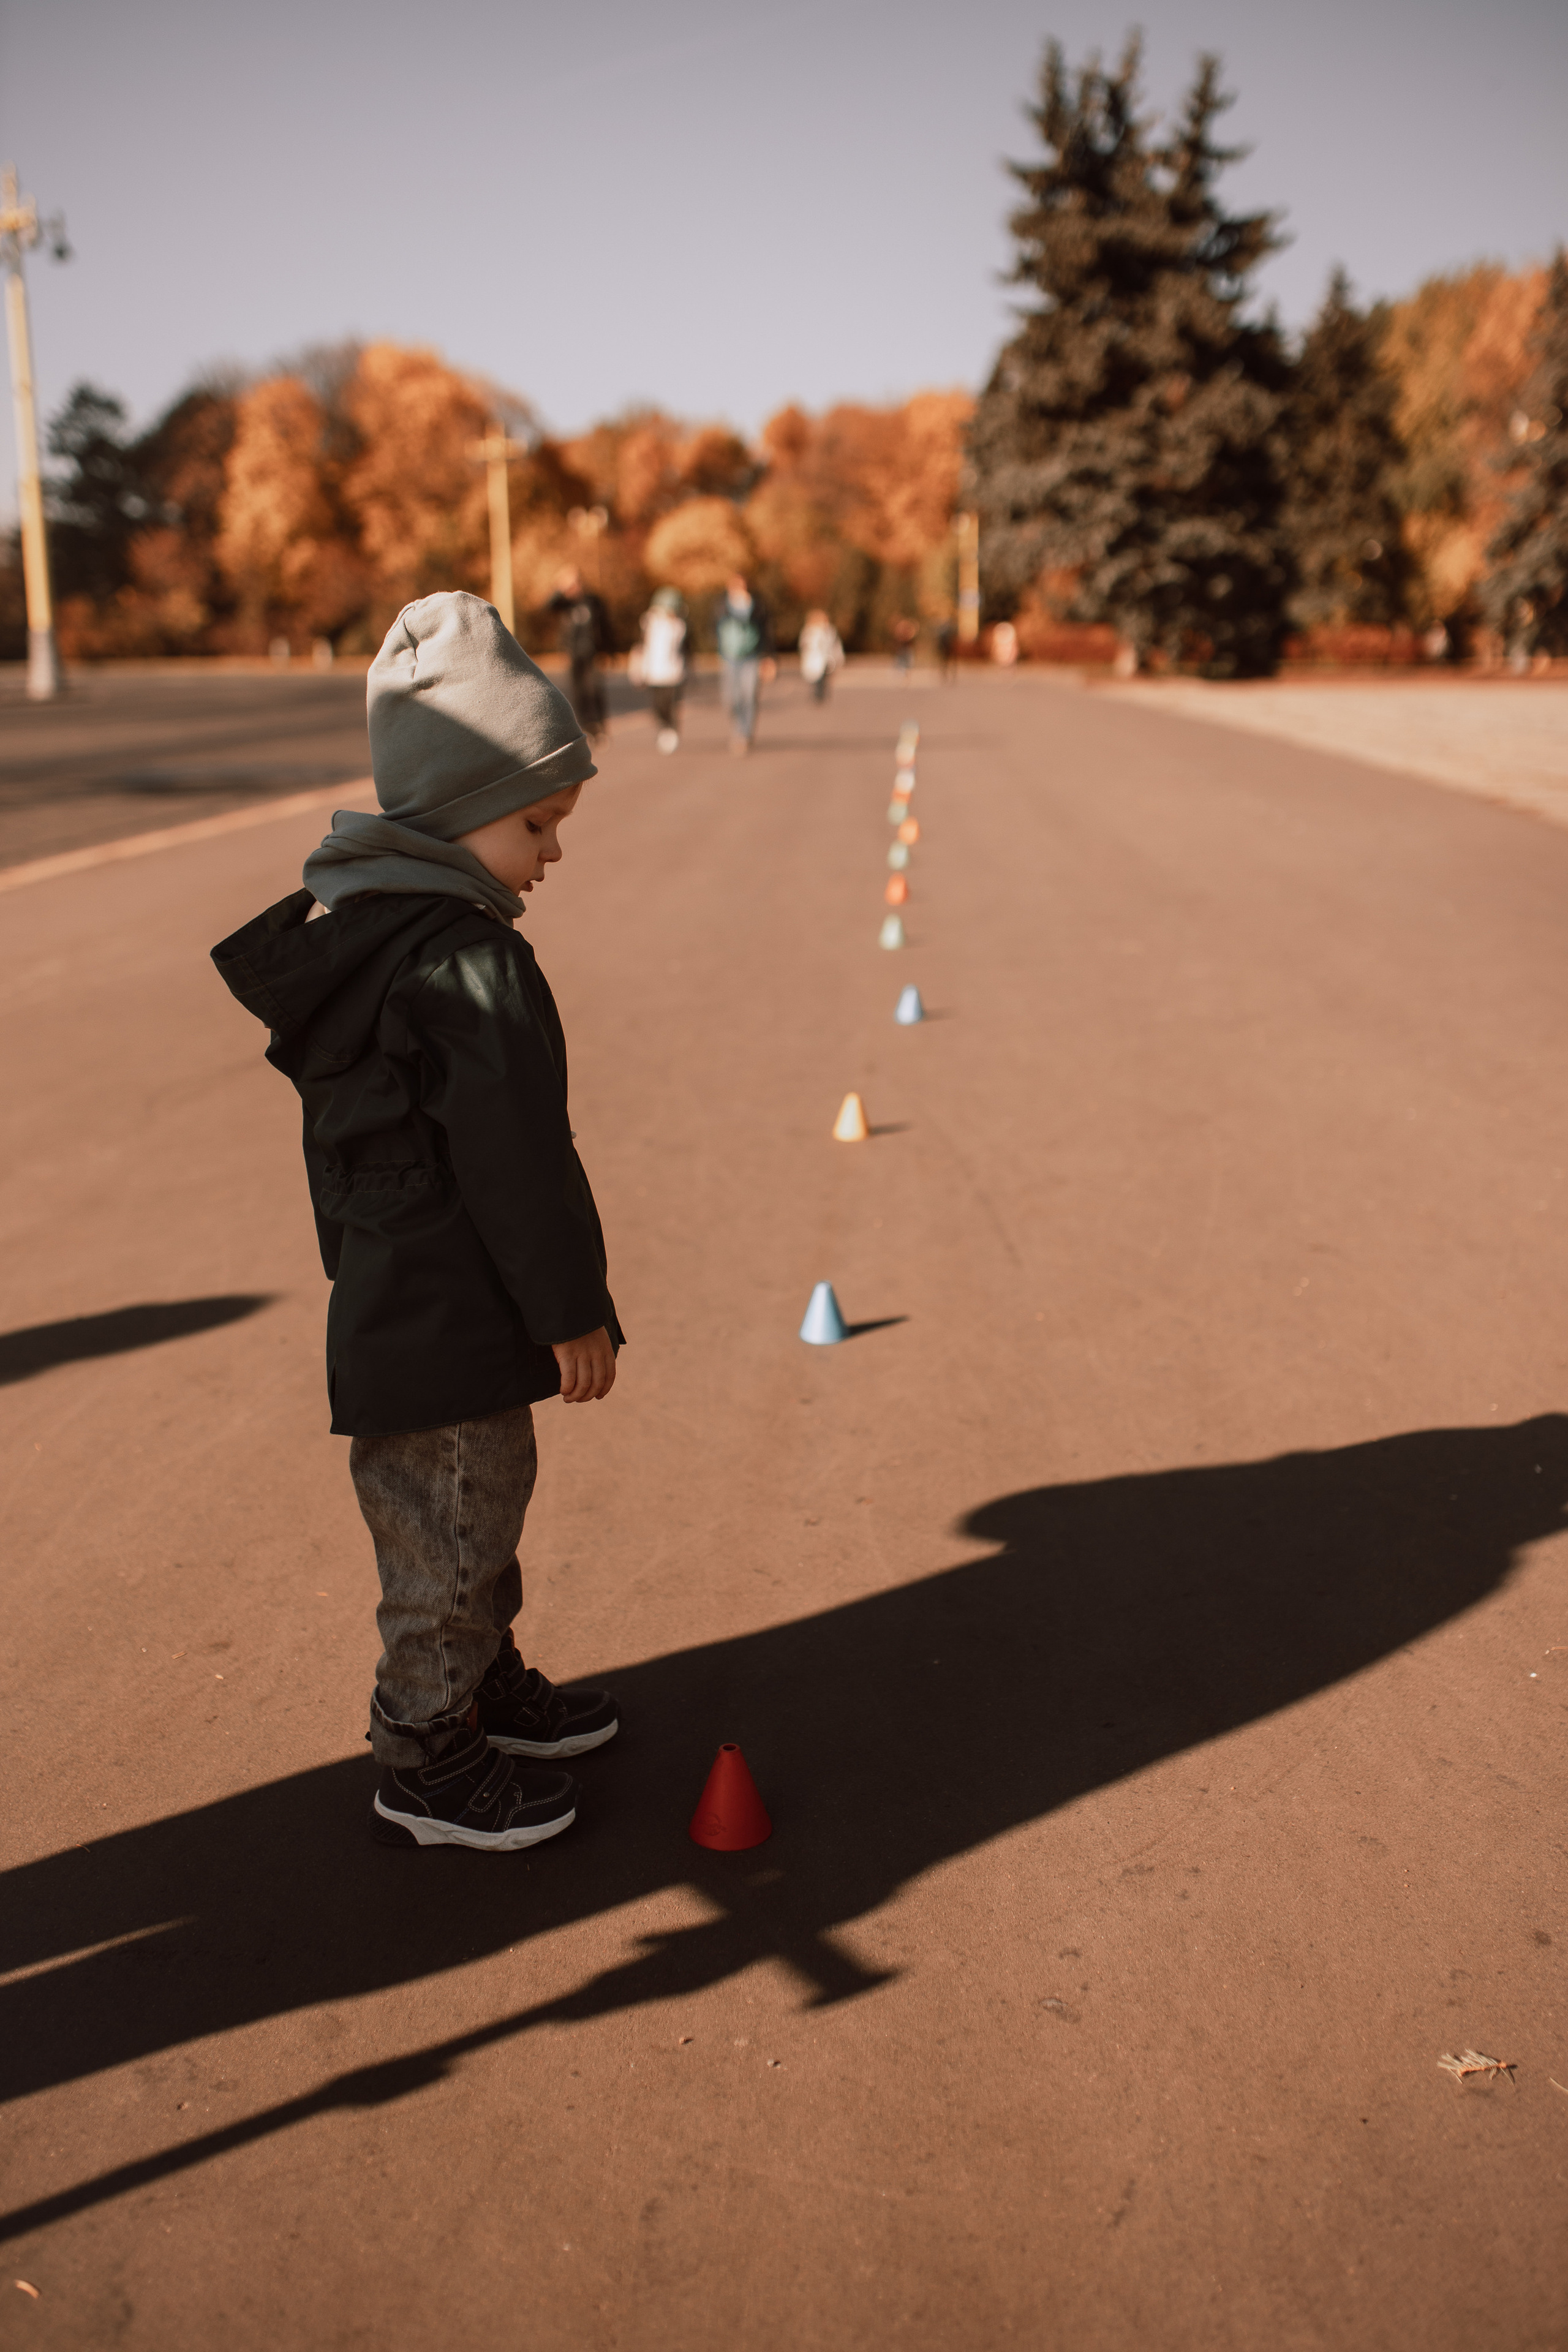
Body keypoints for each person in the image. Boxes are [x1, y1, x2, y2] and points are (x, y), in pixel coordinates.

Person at [211, 590, 623, 1854]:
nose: (550, 854)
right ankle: (424, 1747)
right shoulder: (466, 963)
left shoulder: (368, 944)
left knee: (461, 1519)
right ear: (456, 816)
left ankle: (476, 1683)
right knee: (449, 1532)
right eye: (535, 824)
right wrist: (572, 1313)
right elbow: (518, 1161)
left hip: (401, 1301)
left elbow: (348, 1154)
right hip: (453, 1311)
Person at [547, 566, 610, 741]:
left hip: (593, 652)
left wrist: (609, 650)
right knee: (578, 692)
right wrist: (560, 589)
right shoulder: (564, 604)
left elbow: (605, 626)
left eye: (576, 583)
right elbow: (548, 606)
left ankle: (601, 726)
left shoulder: (593, 601)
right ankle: (586, 728)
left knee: (595, 689)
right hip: (573, 653)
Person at [715, 572, 775, 753]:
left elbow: (767, 632)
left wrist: (769, 657)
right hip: (729, 657)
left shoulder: (757, 606)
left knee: (749, 696)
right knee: (731, 698)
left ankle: (744, 734)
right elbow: (714, 627)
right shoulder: (722, 605)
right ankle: (738, 727)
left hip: (752, 656)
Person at [638, 584, 688, 752]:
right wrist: (641, 670)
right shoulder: (649, 623)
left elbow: (683, 648)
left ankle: (672, 731)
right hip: (654, 674)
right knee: (658, 707)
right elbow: (644, 648)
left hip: (674, 675)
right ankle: (663, 730)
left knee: (672, 706)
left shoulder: (679, 627)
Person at [798, 608, 844, 703]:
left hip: (826, 659)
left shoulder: (829, 631)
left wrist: (839, 657)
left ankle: (820, 694)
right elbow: (803, 645)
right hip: (813, 659)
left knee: (823, 677)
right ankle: (818, 694)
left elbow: (835, 645)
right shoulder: (809, 631)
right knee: (816, 677)